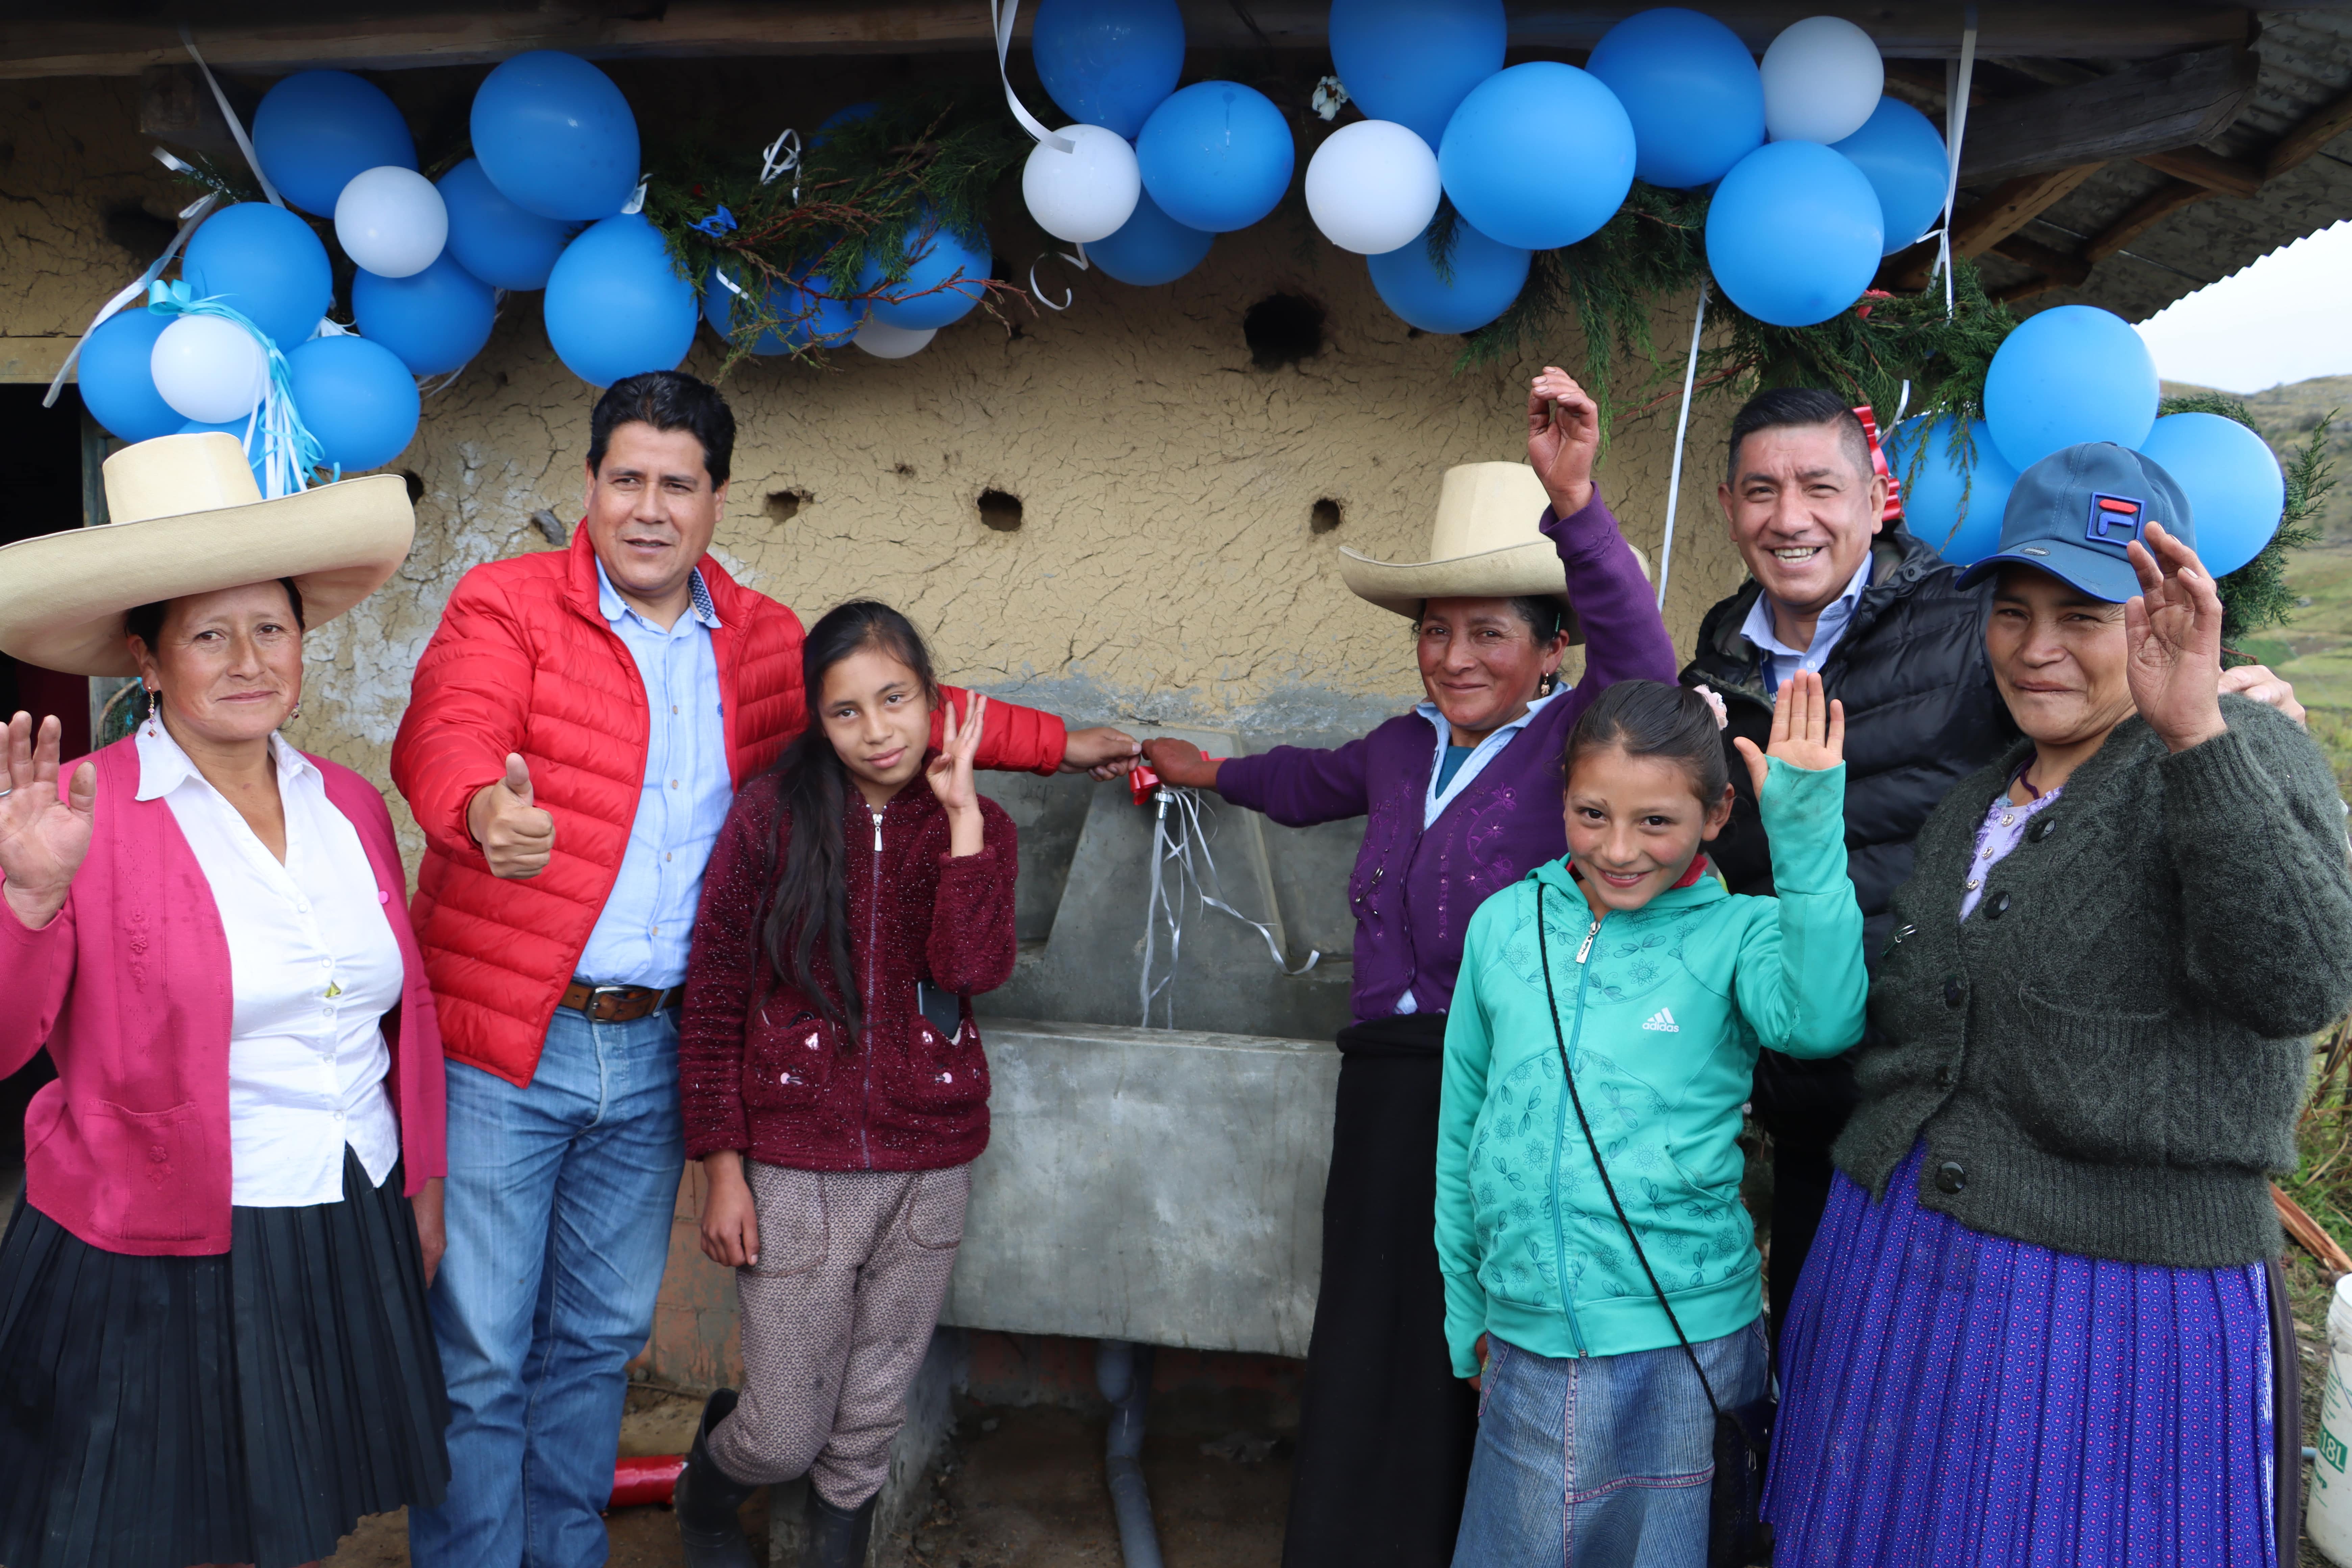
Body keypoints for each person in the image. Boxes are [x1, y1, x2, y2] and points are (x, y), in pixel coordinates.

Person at [388, 370, 1139, 1567]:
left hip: (654, 1046)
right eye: (625, 479)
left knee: (593, 1343)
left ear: (716, 500)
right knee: (481, 1351)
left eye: (675, 485)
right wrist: (478, 807)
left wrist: (1063, 745)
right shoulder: (506, 605)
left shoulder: (762, 639)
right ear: (588, 485)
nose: (647, 507)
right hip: (506, 1043)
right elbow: (447, 728)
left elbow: (894, 703)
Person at [1763, 443, 2352, 1566]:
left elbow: (2301, 982)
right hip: (1900, 1267)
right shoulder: (1981, 802)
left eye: (2082, 615)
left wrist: (2194, 733)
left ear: (2163, 615)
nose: (2036, 650)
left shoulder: (2238, 747)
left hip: (2106, 1312)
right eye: (2014, 611)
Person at [1143, 369, 1679, 1568]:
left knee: (1467, 1329)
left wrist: (1577, 506)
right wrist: (1203, 769)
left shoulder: (1581, 745)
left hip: (1497, 1090)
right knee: (1371, 1328)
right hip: (1383, 1082)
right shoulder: (1401, 746)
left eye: (1490, 631)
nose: (1452, 655)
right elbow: (1300, 784)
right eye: (1437, 629)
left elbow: (1646, 667)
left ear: (1550, 651)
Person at [1679, 388, 2308, 1348]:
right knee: (1834, 1396)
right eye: (1761, 490)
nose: (1789, 514)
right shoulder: (1723, 655)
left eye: (1818, 484)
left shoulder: (1953, 617)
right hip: (1846, 1116)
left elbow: (2128, 681)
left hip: (2058, 1214)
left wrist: (2227, 721)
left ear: (1876, 497)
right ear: (1727, 505)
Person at [0, 431, 449, 1568]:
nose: (250, 658)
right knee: (152, 1534)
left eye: (273, 626)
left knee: (293, 1518)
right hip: (158, 1242)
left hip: (342, 1202)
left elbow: (401, 1015)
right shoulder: (74, 814)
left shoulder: (348, 803)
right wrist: (33, 901)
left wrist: (422, 1183)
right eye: (209, 633)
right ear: (147, 662)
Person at [1439, 675, 1865, 1565]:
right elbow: (1461, 1132)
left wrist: (1806, 830)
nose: (1621, 849)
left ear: (1716, 817)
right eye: (1592, 815)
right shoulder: (1502, 930)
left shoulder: (1740, 937)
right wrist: (1466, 1311)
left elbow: (1823, 1021)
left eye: (1658, 822)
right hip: (1523, 1337)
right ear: (1562, 800)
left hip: (1686, 1346)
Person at [667, 602, 1018, 1568]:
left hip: (929, 1166)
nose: (878, 731)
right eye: (847, 712)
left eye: (895, 699)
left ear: (931, 698)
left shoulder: (979, 828)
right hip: (796, 1170)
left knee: (868, 1415)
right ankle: (706, 1493)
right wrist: (722, 1166)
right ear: (817, 722)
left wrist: (961, 826)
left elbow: (972, 969)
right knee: (784, 1430)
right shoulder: (767, 819)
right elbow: (714, 1000)